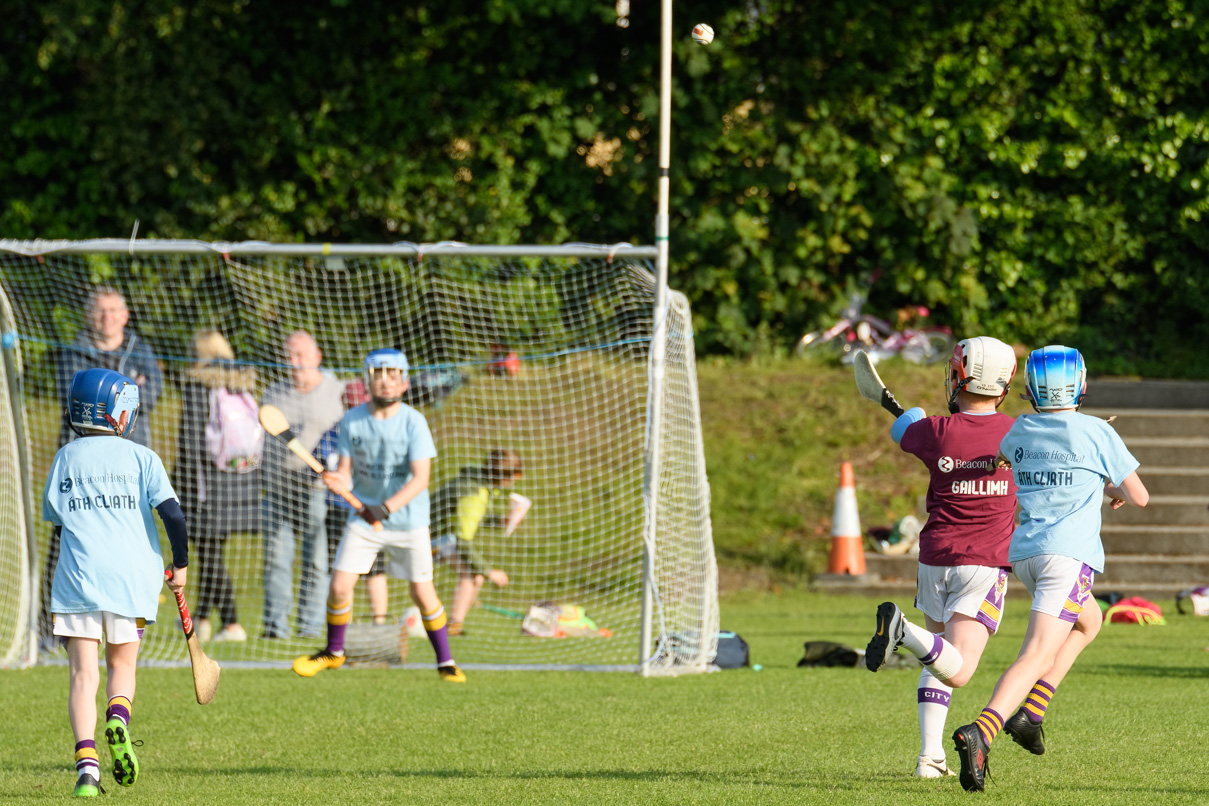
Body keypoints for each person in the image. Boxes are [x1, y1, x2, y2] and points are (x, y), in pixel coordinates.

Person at [951, 345, 1149, 792]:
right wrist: (1110, 484)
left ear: (1028, 390)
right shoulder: (1098, 431)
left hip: (1027, 558)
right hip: (1068, 560)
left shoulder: (1018, 431)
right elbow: (1140, 496)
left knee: (1090, 621)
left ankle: (1031, 714)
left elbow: (1013, 458)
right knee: (1037, 654)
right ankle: (981, 732)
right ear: (1081, 385)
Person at [863, 337, 1019, 778]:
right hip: (983, 563)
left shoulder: (934, 431)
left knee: (938, 656)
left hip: (934, 560)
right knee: (961, 671)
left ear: (957, 376)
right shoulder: (1017, 432)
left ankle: (930, 758)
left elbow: (905, 433)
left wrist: (909, 417)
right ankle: (901, 629)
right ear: (1004, 384)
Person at [43, 368, 189, 796]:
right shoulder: (143, 457)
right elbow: (174, 517)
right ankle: (118, 719)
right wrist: (180, 565)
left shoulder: (65, 457)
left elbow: (58, 521)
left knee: (81, 676)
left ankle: (87, 769)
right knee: (122, 665)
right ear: (119, 414)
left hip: (77, 580)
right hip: (131, 580)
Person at [292, 348, 464, 682]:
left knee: (422, 592)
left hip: (408, 520)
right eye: (378, 374)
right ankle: (334, 652)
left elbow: (421, 479)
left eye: (393, 375)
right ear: (367, 380)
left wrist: (383, 508)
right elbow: (345, 472)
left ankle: (445, 661)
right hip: (364, 519)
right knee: (340, 586)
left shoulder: (414, 421)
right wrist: (337, 481)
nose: (385, 382)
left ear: (404, 383)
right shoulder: (352, 420)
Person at [40, 286, 164, 650]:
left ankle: (126, 621)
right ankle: (54, 628)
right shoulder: (74, 351)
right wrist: (126, 389)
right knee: (65, 541)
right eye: (100, 310)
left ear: (125, 315)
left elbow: (150, 393)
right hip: (83, 467)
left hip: (125, 466)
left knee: (130, 540)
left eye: (113, 310)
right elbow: (71, 399)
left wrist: (106, 394)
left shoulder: (141, 350)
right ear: (89, 315)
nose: (107, 317)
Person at [174, 330, 261, 643]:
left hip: (204, 486)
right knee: (212, 551)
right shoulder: (241, 386)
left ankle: (233, 622)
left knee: (208, 554)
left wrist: (177, 480)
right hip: (238, 483)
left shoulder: (200, 386)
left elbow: (190, 440)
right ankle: (202, 618)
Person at [260, 330, 345, 639]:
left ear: (317, 357)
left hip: (317, 490)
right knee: (277, 558)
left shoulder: (338, 392)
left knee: (316, 560)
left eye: (301, 356)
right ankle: (275, 627)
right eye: (289, 356)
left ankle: (309, 627)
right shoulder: (273, 394)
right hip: (278, 487)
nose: (294, 363)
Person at [317, 378, 390, 624]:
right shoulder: (337, 430)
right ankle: (344, 624)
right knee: (342, 570)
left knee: (375, 569)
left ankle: (379, 622)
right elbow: (322, 460)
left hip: (370, 509)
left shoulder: (381, 430)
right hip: (339, 510)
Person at [431, 449, 524, 636]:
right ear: (503, 474)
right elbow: (462, 540)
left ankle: (454, 625)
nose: (515, 480)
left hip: (439, 536)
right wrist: (490, 570)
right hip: (426, 537)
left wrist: (500, 520)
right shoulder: (474, 491)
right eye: (515, 474)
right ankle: (451, 626)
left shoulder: (477, 483)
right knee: (473, 575)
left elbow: (473, 516)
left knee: (475, 577)